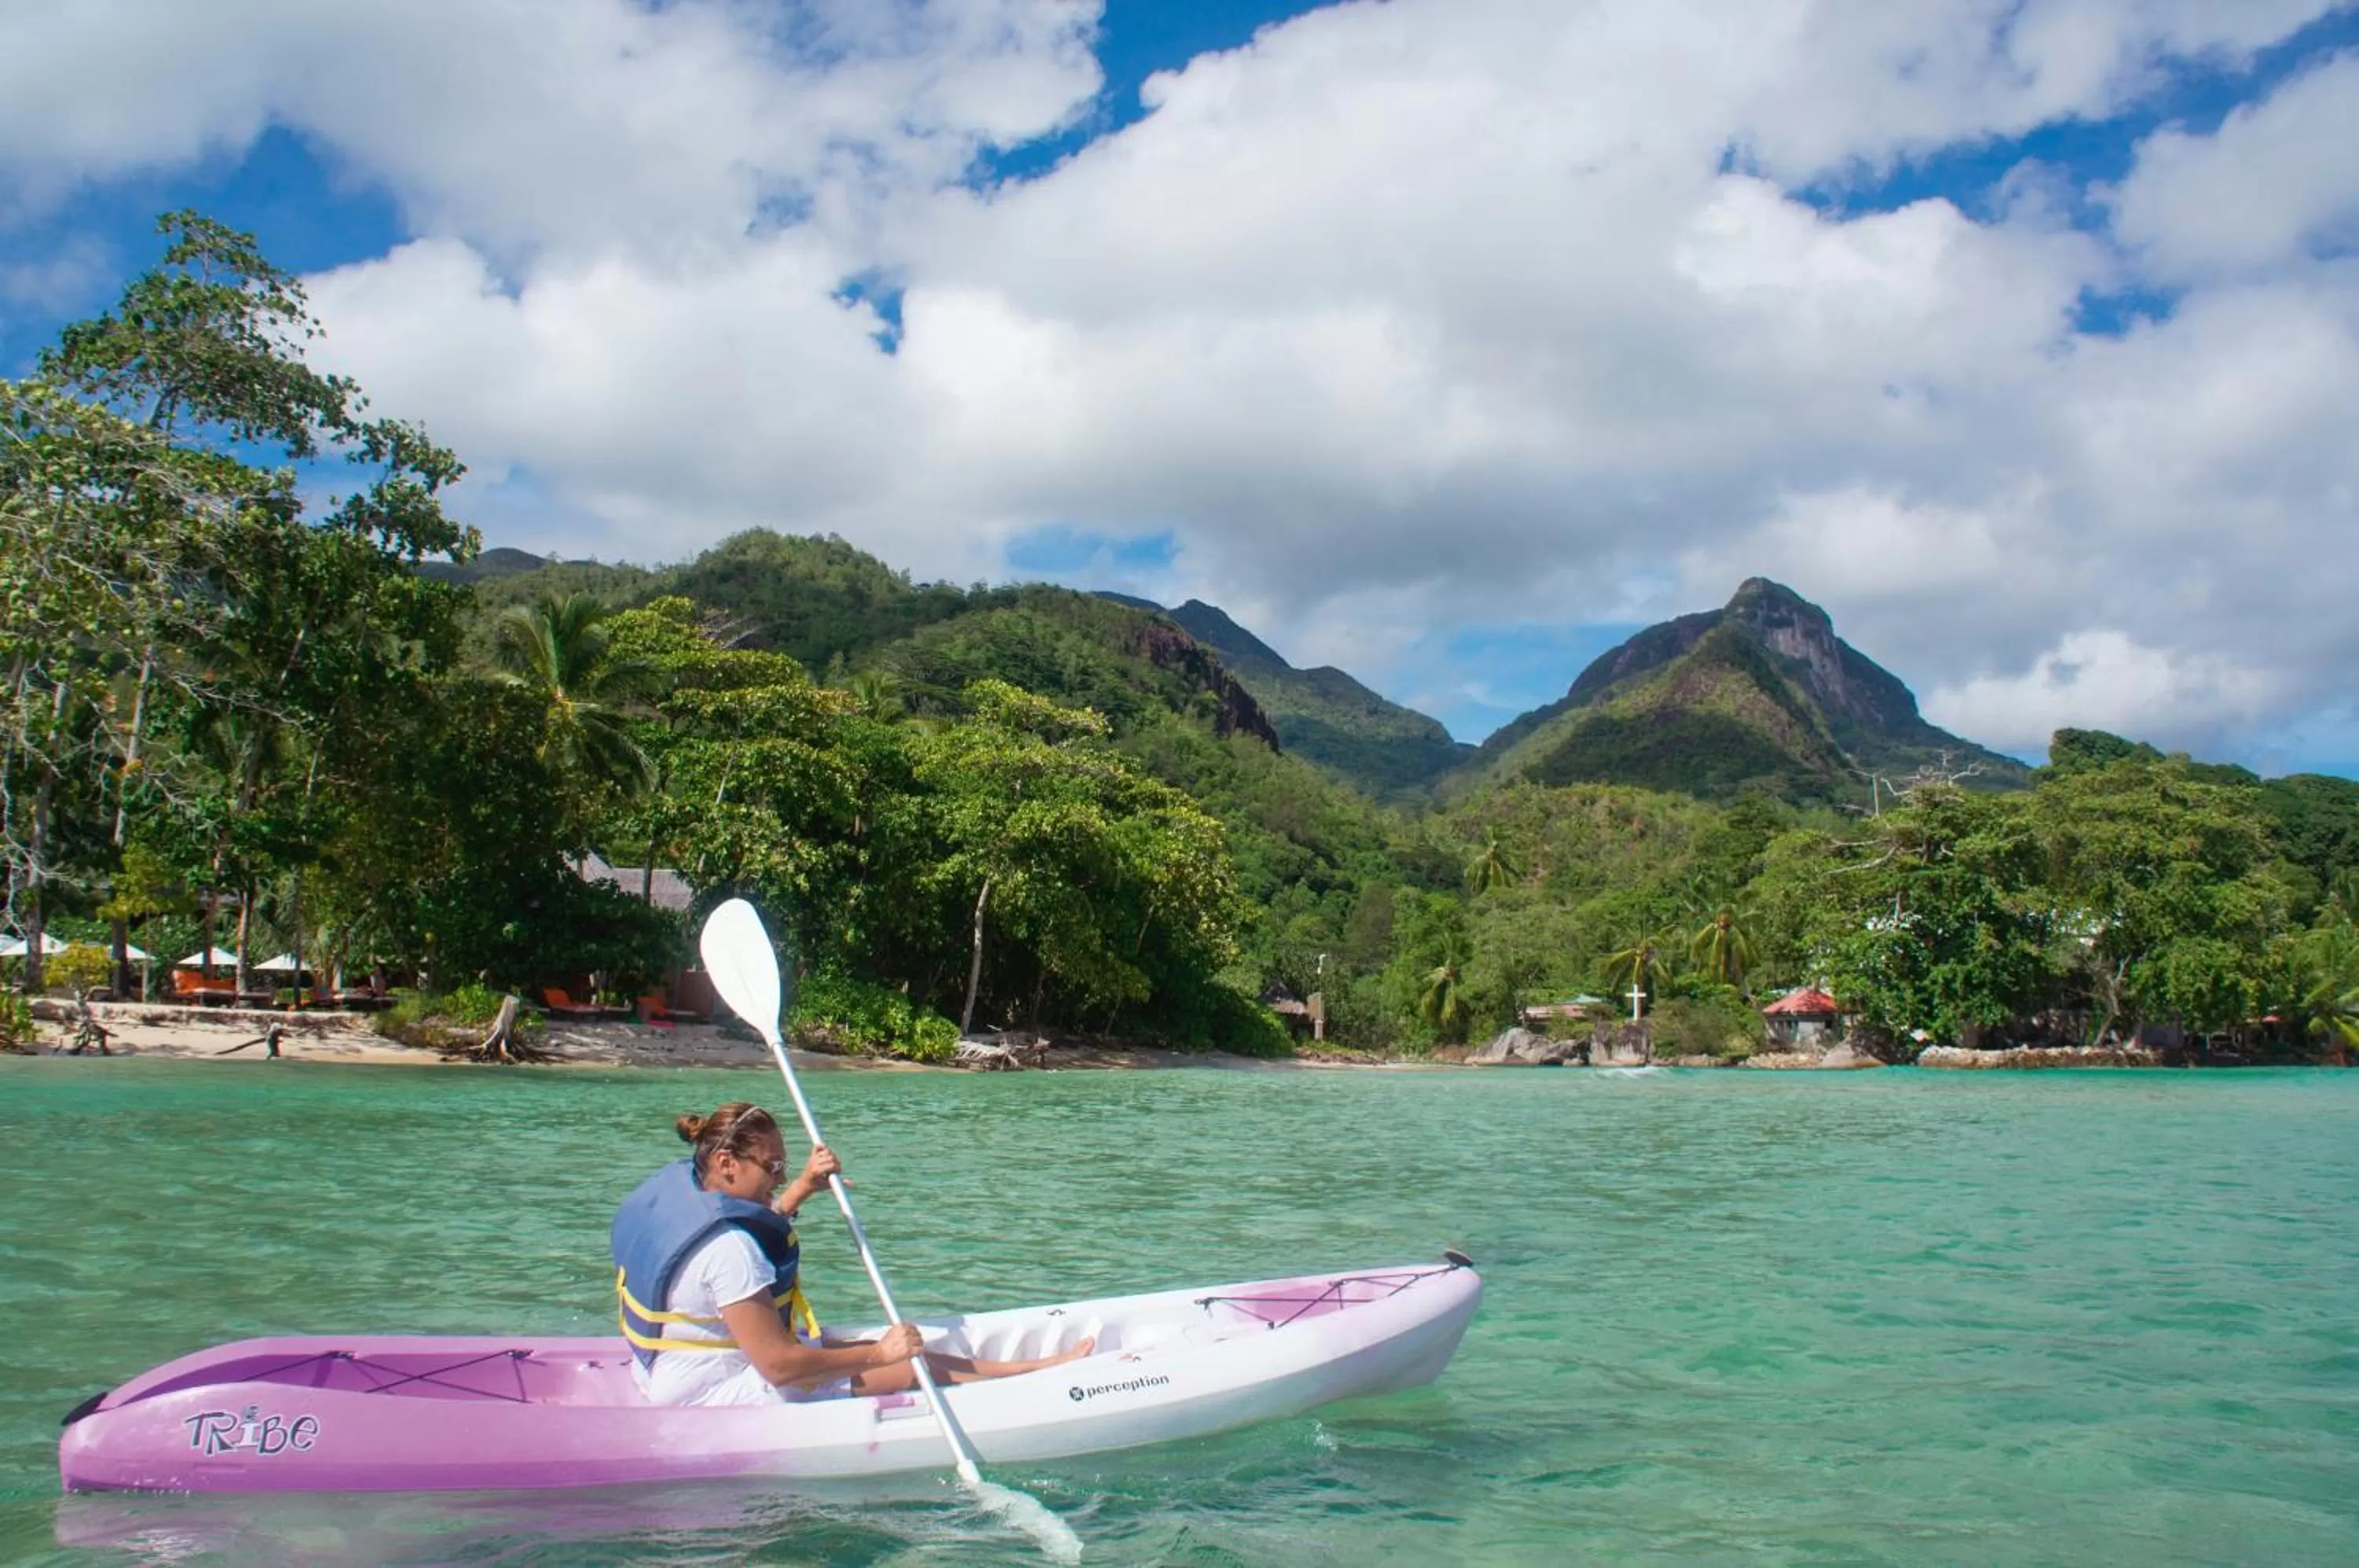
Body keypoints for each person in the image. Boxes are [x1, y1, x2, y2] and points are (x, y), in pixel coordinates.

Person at [612, 1101, 1092, 1407]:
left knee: (875, 1350)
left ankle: (1020, 1369)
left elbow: (728, 1248)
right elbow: (779, 1366)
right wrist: (881, 1353)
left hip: (665, 1368)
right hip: (708, 1392)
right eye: (774, 1166)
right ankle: (1035, 1374)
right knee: (904, 1364)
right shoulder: (729, 1251)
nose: (781, 1174)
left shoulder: (686, 1189)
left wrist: (799, 1191)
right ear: (726, 1162)